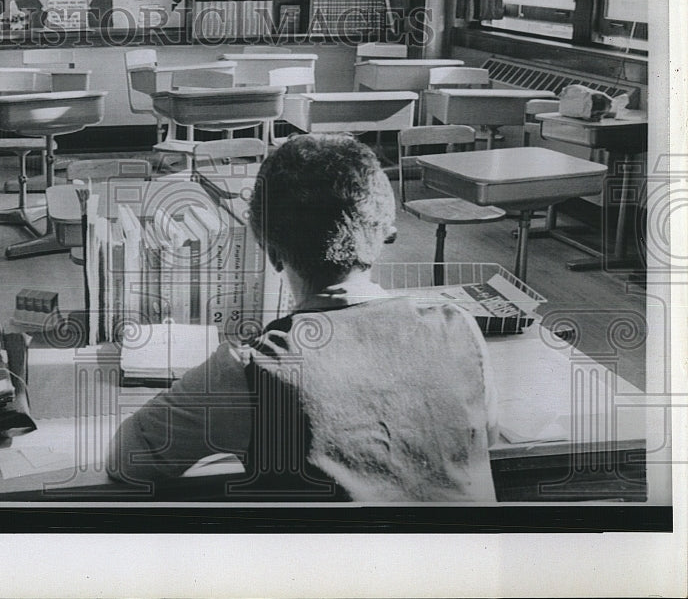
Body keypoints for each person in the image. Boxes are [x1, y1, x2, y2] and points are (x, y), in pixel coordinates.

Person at [107, 134, 498, 501]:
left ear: (270, 251)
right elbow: (485, 437)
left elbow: (126, 460)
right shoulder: (457, 327)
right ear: (384, 234)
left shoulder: (247, 370)